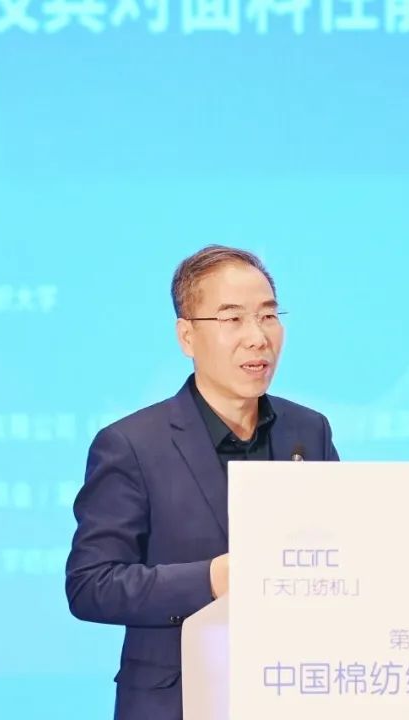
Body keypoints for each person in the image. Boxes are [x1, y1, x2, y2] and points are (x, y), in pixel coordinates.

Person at [65, 245, 339, 720]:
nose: (258, 338)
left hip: (292, 693)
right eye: (232, 319)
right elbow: (92, 585)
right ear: (187, 336)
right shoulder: (131, 445)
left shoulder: (308, 431)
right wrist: (213, 578)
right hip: (178, 701)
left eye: (268, 316)